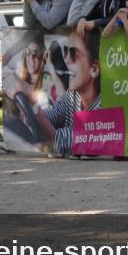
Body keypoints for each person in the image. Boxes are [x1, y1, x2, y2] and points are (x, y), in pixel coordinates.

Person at [37, 29, 102, 159]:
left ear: (94, 69)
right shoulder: (72, 96)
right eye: (66, 51)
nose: (66, 59)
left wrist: (32, 107)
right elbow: (52, 115)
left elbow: (68, 139)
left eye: (74, 54)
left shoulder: (103, 105)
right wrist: (32, 114)